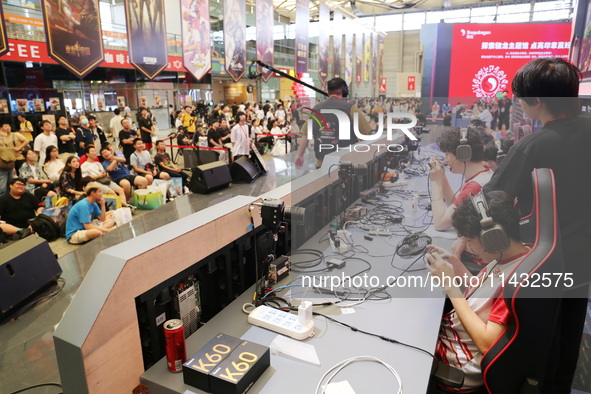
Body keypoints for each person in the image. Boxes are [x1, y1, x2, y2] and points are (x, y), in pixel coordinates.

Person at [484, 58, 591, 393]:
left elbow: (489, 200)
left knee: (537, 344)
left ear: (537, 101)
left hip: (543, 264)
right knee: (569, 339)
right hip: (584, 261)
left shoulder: (533, 146)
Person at [426, 190, 531, 392]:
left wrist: (450, 286)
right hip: (450, 337)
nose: (469, 247)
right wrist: (456, 264)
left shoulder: (513, 281)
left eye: (470, 240)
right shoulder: (514, 256)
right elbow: (483, 295)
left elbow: (487, 342)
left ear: (492, 237)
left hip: (454, 365)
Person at [295, 77, 372, 169]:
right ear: (344, 92)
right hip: (346, 164)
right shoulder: (350, 108)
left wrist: (299, 155)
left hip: (322, 163)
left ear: (328, 92)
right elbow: (365, 134)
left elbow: (306, 134)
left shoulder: (316, 109)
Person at [429, 127, 492, 231]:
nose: (445, 160)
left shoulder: (475, 186)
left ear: (463, 154)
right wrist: (442, 178)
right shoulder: (483, 173)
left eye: (447, 155)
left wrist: (436, 182)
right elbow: (457, 204)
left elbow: (440, 224)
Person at [0, 122, 29, 192]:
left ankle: (22, 191)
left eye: (9, 126)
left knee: (21, 177)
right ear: (1, 128)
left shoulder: (16, 134)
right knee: (9, 180)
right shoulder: (2, 138)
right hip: (8, 161)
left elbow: (26, 141)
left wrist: (19, 147)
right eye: (5, 126)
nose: (8, 128)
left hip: (19, 158)